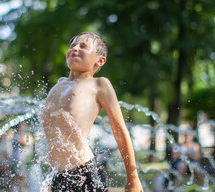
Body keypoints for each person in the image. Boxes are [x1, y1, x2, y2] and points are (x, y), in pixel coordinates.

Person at [42, 32, 143, 192]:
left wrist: (133, 177)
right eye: (73, 45)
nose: (75, 48)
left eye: (83, 46)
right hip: (56, 176)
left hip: (83, 174)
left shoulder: (99, 85)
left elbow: (120, 131)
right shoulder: (58, 85)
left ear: (100, 60)